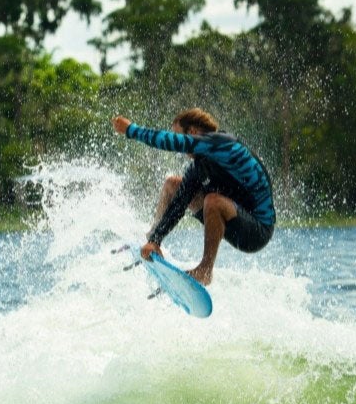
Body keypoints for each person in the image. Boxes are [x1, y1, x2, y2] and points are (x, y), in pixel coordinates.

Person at [112, 108, 275, 286]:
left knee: (212, 200)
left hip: (257, 230)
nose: (181, 146)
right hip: (233, 218)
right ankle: (150, 240)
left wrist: (131, 130)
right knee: (173, 185)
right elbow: (180, 203)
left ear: (192, 132)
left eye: (180, 136)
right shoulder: (199, 166)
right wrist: (156, 240)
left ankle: (205, 271)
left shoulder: (222, 144)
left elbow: (169, 142)